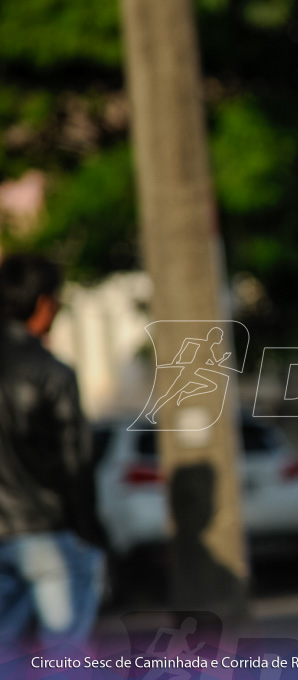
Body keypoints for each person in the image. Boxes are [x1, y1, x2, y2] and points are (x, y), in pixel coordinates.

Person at [0, 254, 106, 648]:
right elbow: (75, 461)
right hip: (47, 533)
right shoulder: (51, 372)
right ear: (44, 304)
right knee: (65, 652)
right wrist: (90, 533)